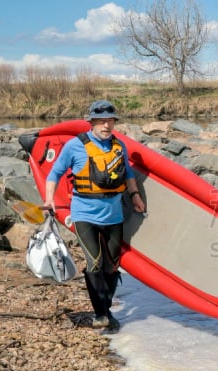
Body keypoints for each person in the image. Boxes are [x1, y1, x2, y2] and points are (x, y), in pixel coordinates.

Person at [43, 100, 145, 330]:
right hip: (85, 214)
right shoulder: (74, 146)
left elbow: (128, 174)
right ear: (91, 123)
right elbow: (55, 172)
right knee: (95, 262)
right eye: (101, 121)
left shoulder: (119, 146)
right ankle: (101, 314)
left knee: (112, 266)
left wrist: (136, 196)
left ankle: (106, 308)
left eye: (110, 121)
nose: (106, 125)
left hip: (114, 216)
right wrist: (49, 198)